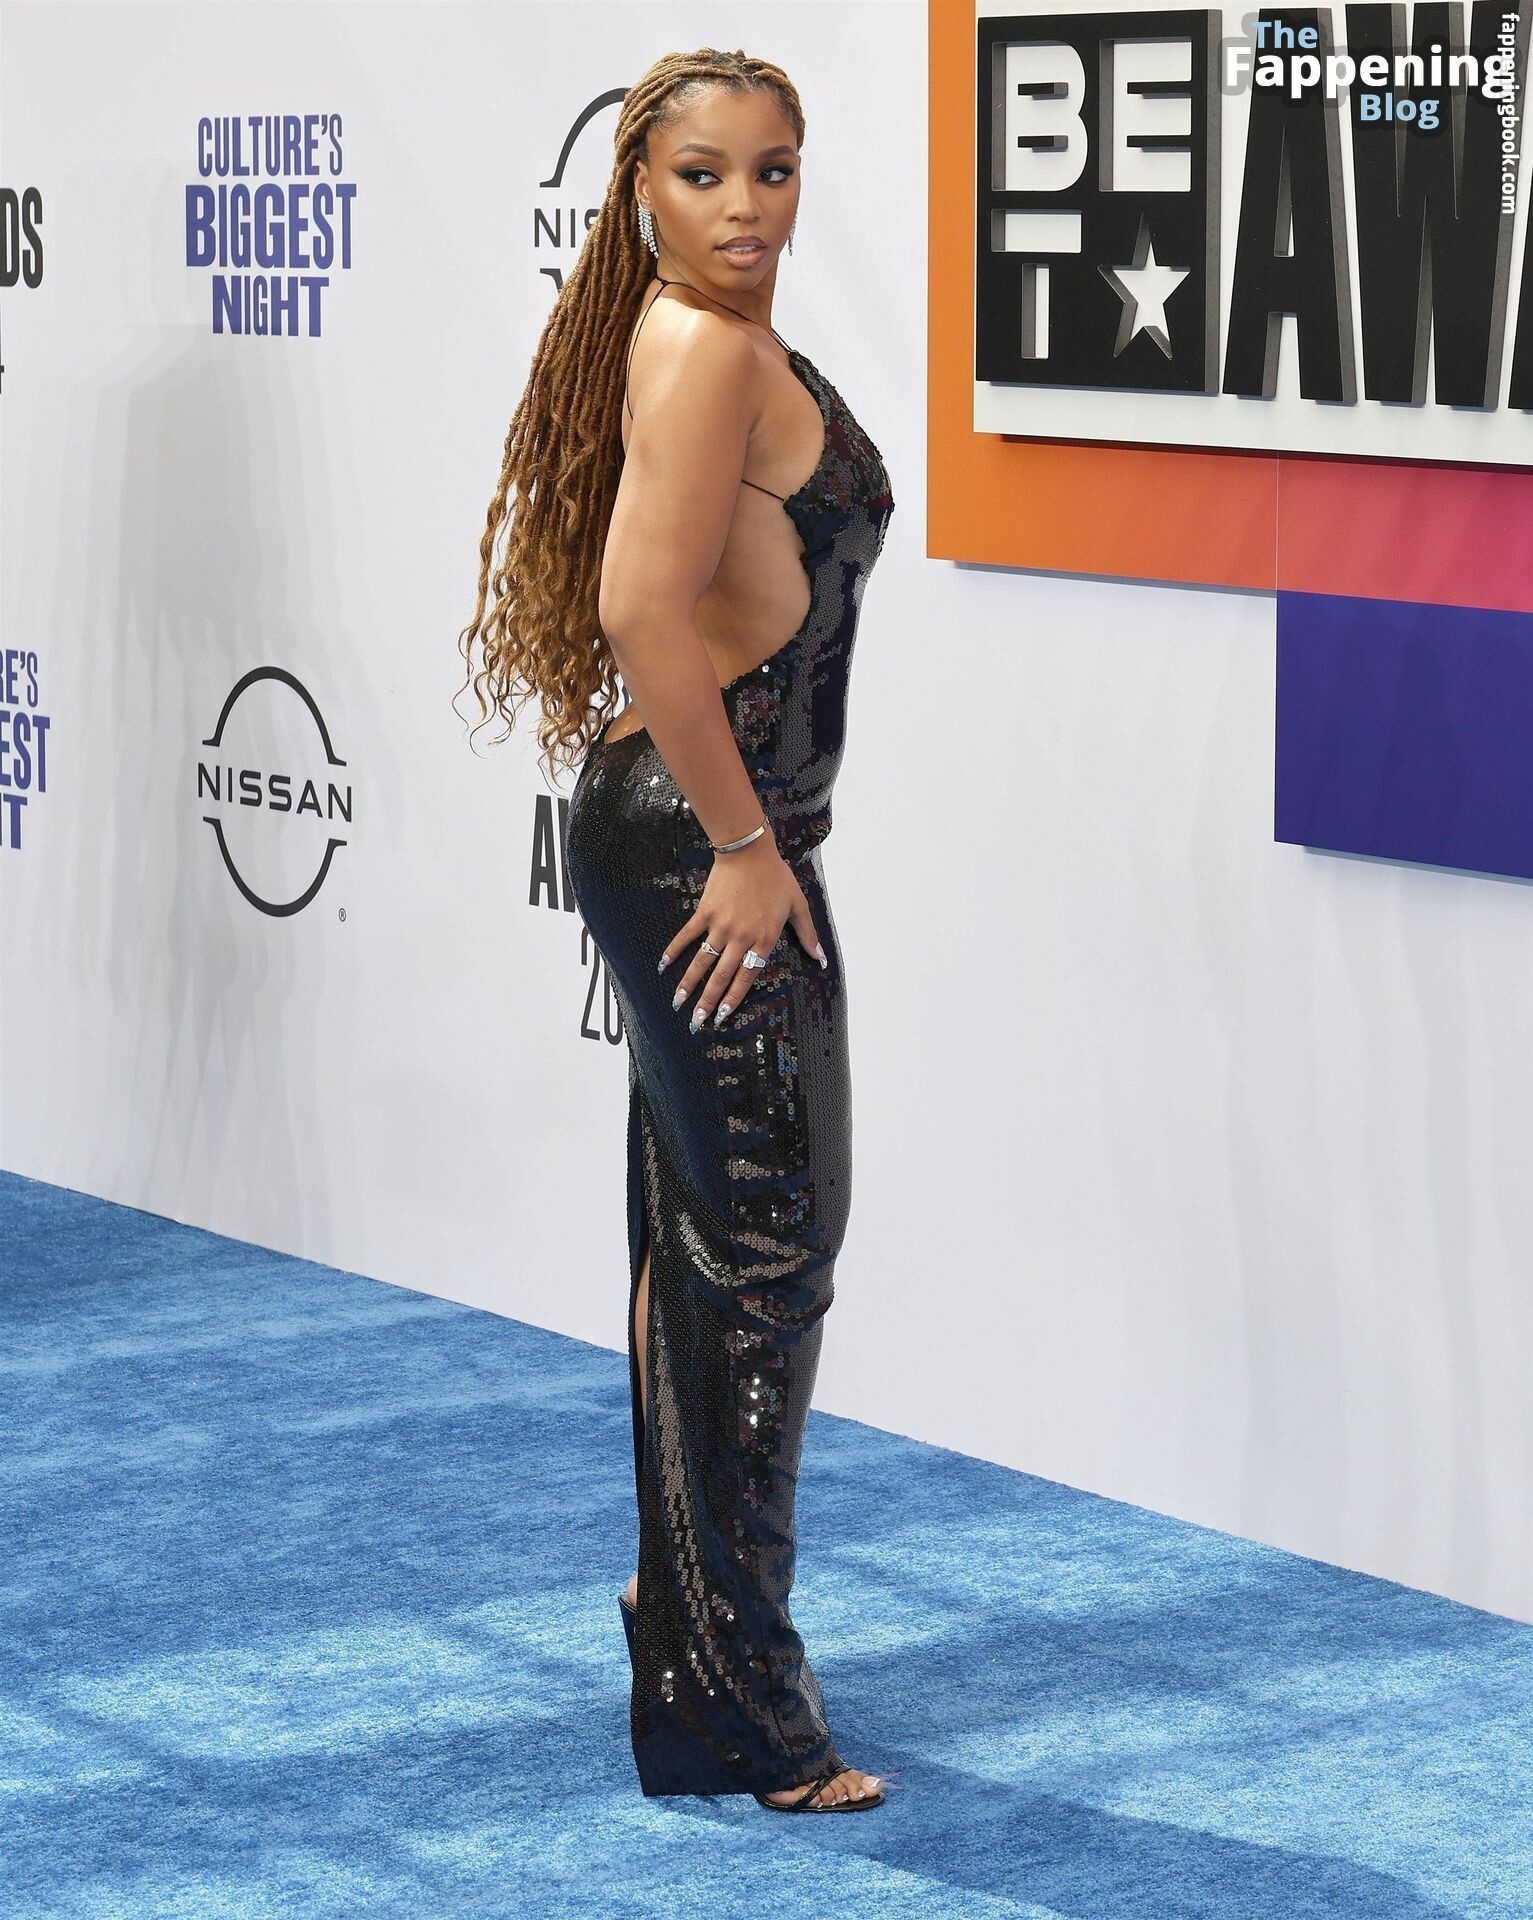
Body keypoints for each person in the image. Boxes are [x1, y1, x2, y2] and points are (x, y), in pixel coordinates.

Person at [455, 47, 895, 1813]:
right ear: (638, 187)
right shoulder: (704, 346)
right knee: (768, 1252)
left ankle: (690, 1648)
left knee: (709, 1250)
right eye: (702, 176)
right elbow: (643, 606)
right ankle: (746, 1709)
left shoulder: (701, 335)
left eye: (772, 171)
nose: (743, 208)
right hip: (707, 842)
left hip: (694, 834)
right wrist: (741, 845)